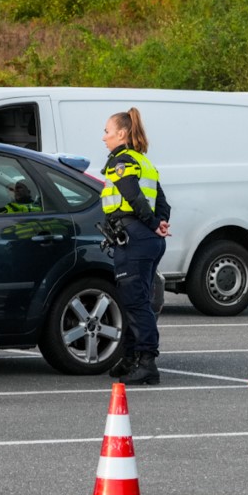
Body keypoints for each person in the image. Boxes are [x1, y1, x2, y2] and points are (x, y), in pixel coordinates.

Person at [99, 108, 172, 386]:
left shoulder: (123, 161)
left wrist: (154, 222)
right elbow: (163, 201)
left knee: (137, 301)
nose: (103, 137)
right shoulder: (144, 161)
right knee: (134, 298)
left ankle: (146, 362)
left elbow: (131, 193)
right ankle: (130, 358)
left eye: (107, 131)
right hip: (146, 239)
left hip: (134, 237)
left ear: (122, 133)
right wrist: (161, 223)